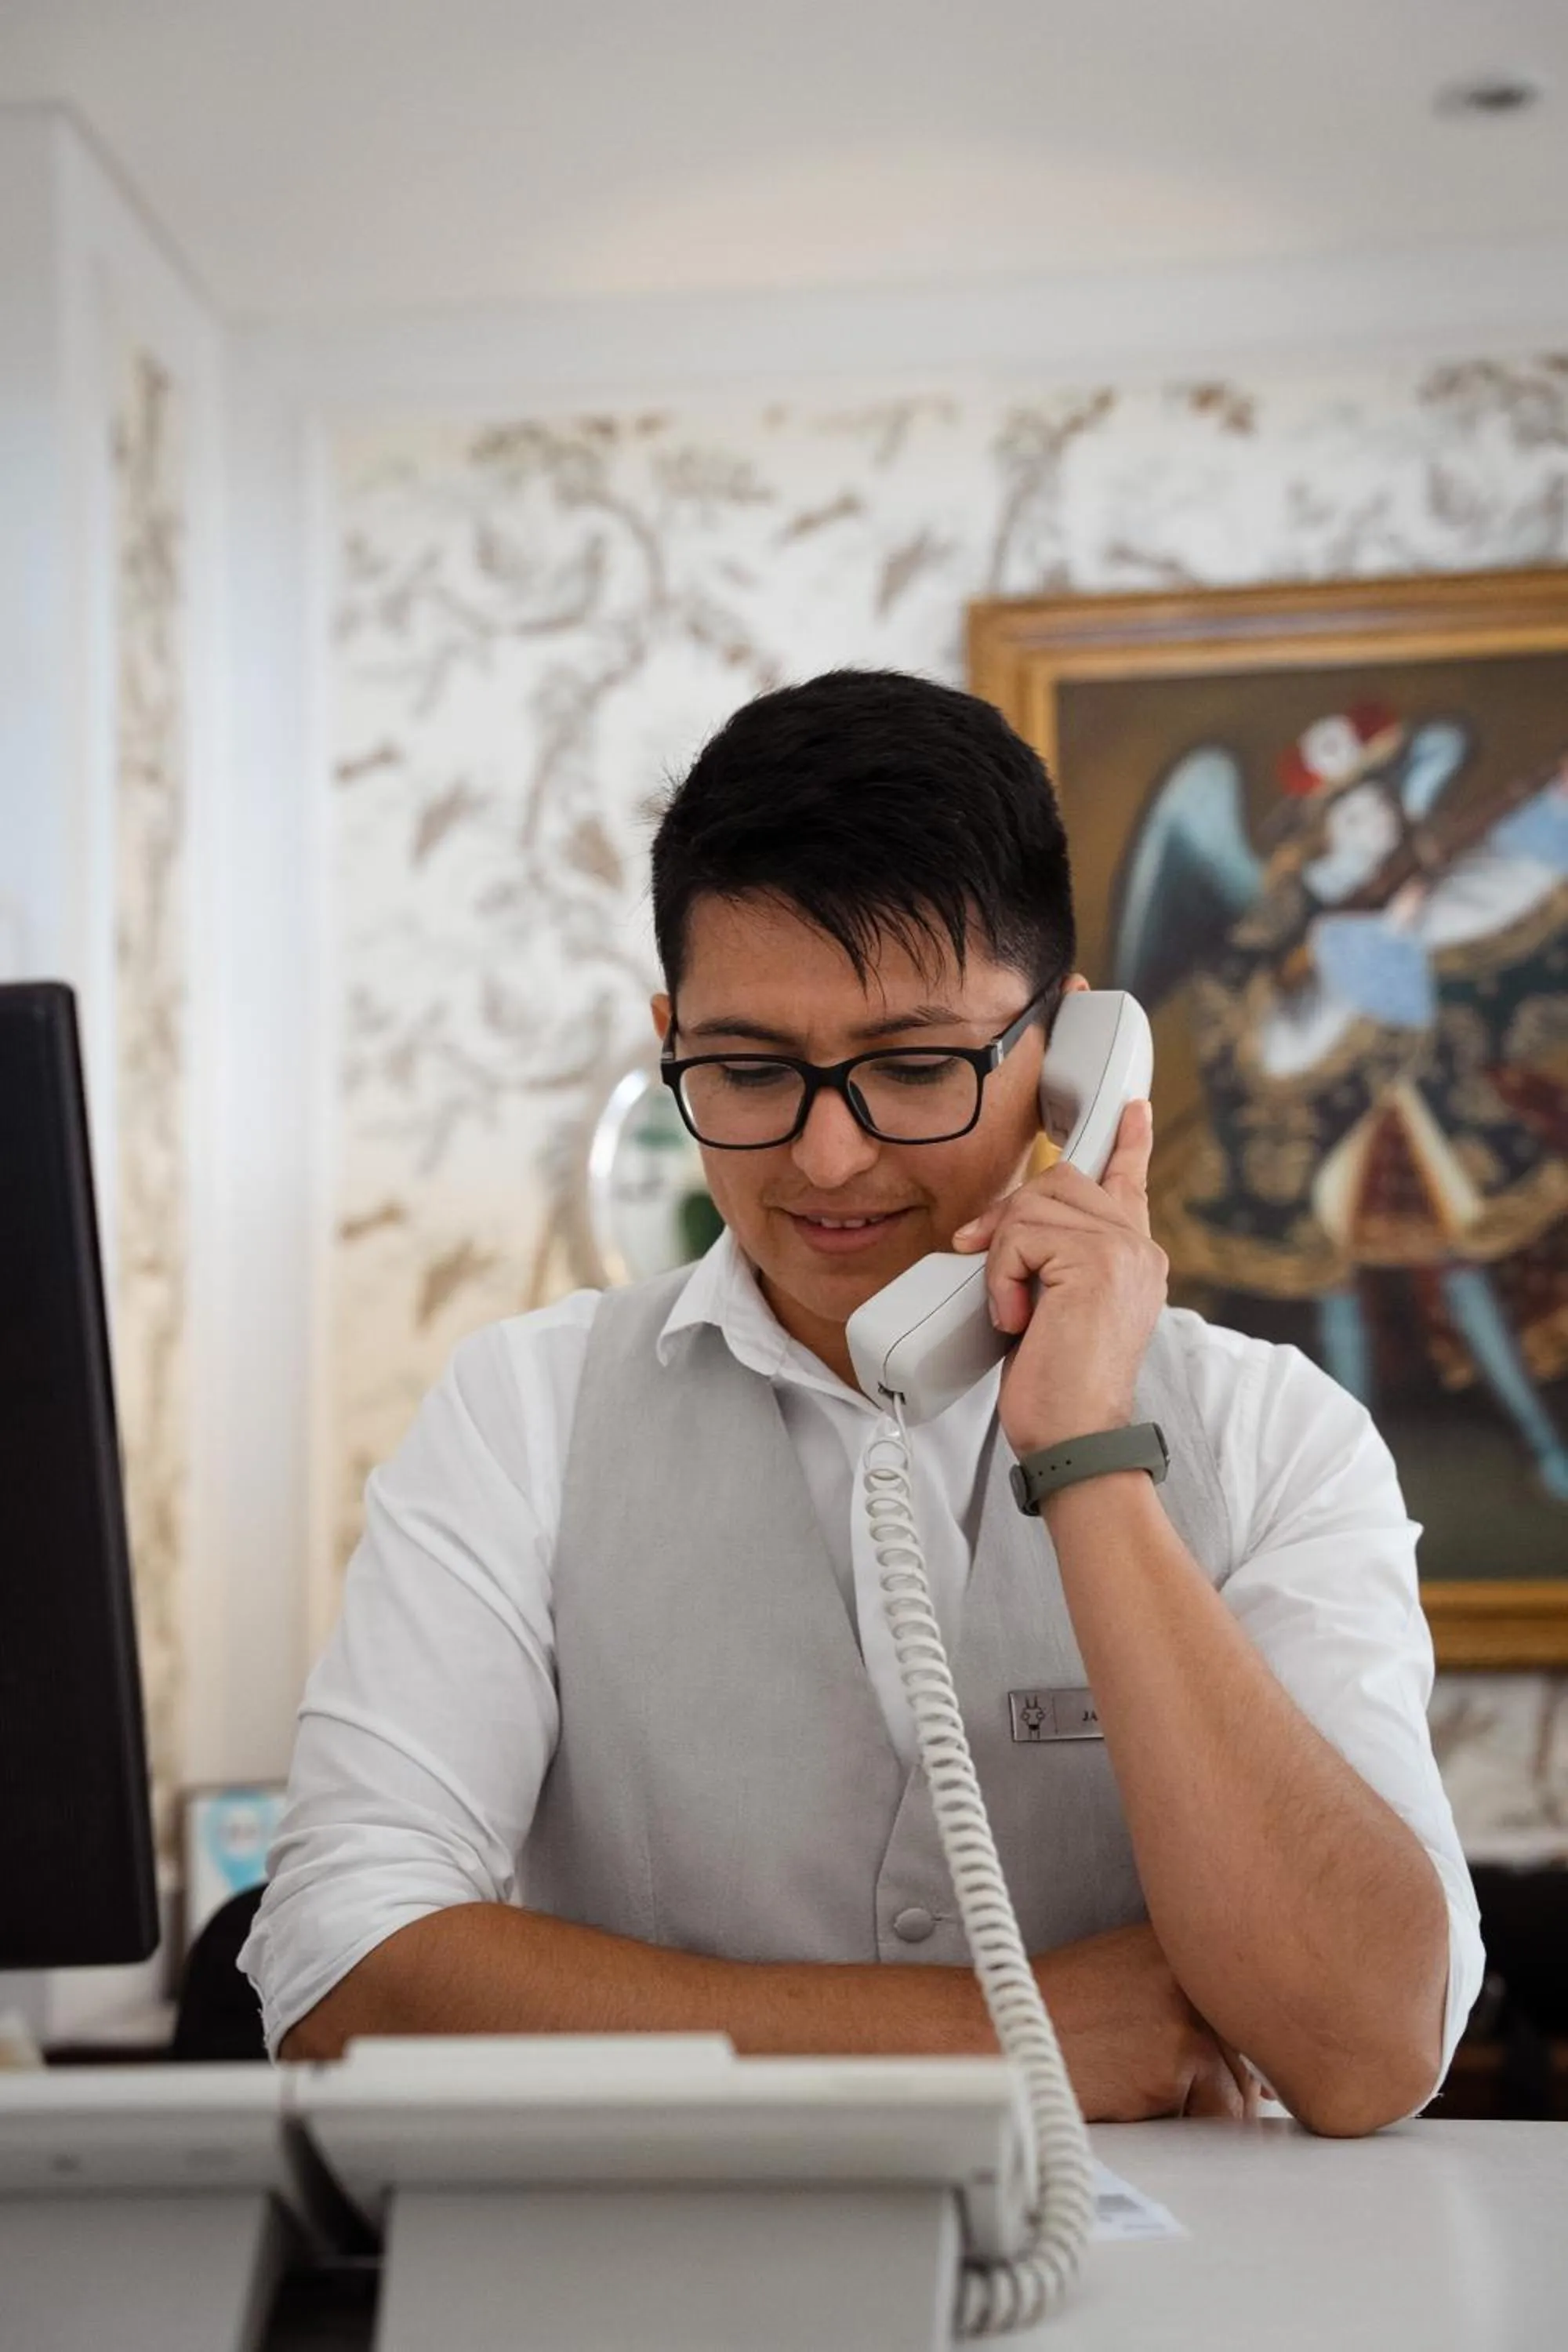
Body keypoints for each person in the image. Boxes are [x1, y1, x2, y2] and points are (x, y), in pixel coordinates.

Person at [242, 670, 1481, 2134]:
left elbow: (1365, 2046)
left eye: (914, 1066)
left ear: (1073, 1058)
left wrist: (1089, 1453)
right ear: (670, 1033)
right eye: (749, 1069)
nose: (827, 1160)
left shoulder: (1277, 1437)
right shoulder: (524, 1412)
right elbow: (342, 1974)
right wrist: (1008, 2040)